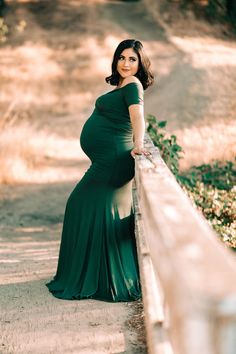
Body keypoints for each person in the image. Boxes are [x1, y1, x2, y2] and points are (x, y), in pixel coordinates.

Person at [46, 39, 154, 302]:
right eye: (122, 58)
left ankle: (91, 276)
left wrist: (139, 145)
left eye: (132, 59)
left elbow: (138, 116)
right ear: (115, 60)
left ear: (140, 65)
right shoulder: (122, 85)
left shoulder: (133, 85)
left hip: (112, 162)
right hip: (106, 162)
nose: (126, 63)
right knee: (97, 213)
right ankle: (97, 274)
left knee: (78, 204)